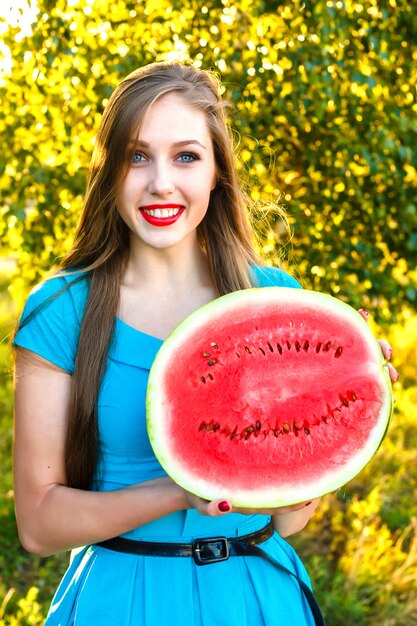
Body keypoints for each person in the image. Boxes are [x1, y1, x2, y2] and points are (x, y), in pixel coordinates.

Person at [12, 61, 397, 626]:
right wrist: (180, 491)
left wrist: (343, 414)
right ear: (110, 170)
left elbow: (288, 520)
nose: (160, 182)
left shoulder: (273, 296)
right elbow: (38, 524)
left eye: (186, 156)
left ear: (217, 172)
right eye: (137, 156)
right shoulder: (62, 309)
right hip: (122, 599)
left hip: (257, 596)